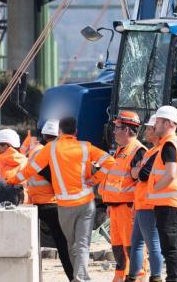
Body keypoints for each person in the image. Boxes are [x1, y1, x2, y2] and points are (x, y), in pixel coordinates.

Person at [12, 116, 115, 282]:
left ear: (60, 131)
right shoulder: (85, 146)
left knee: (71, 244)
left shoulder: (50, 149)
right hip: (86, 203)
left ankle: (79, 277)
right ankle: (80, 277)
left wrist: (11, 181)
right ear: (76, 131)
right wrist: (94, 180)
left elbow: (30, 170)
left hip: (64, 205)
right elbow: (110, 161)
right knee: (82, 243)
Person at [10, 119, 74, 281]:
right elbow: (53, 177)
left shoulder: (38, 149)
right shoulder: (46, 152)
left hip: (39, 201)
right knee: (65, 245)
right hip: (50, 203)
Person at [147, 106, 177, 282]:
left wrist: (154, 189)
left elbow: (170, 174)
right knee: (174, 245)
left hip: (169, 202)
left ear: (167, 123)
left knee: (170, 248)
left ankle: (174, 279)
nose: (155, 125)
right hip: (175, 201)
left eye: (158, 122)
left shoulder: (169, 144)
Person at [101, 111, 145, 282]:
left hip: (128, 208)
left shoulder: (138, 151)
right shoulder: (121, 151)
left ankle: (138, 278)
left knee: (132, 248)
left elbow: (141, 182)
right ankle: (120, 278)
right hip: (116, 208)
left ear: (126, 130)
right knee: (119, 249)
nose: (113, 131)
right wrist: (109, 203)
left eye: (117, 127)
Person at [126, 115, 163, 282]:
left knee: (152, 245)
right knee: (137, 244)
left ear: (157, 131)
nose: (146, 131)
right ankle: (133, 277)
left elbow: (141, 175)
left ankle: (156, 277)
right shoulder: (150, 151)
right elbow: (134, 174)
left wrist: (137, 171)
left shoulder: (157, 152)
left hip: (149, 204)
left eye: (149, 128)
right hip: (142, 203)